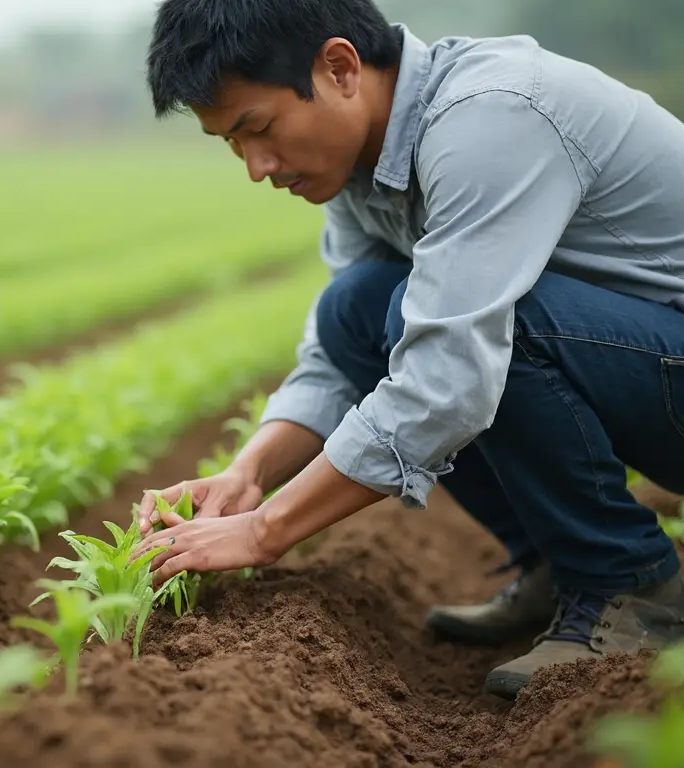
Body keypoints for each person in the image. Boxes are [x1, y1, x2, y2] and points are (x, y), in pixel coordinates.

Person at [131, 0, 684, 699]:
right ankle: (558, 560)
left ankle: (628, 582)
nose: (257, 167)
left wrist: (267, 530)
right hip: (653, 369)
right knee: (355, 309)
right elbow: (338, 358)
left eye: (258, 129)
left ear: (339, 68)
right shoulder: (359, 159)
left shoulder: (491, 116)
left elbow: (446, 375)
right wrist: (249, 474)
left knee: (487, 323)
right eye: (232, 145)